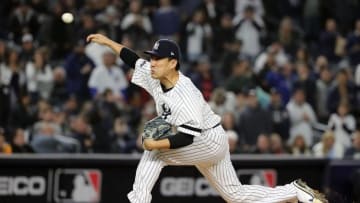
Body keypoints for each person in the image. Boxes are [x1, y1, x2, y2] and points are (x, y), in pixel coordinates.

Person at [86, 33, 327, 203]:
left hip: (205, 140)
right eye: (152, 57)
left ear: (173, 63)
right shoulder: (154, 75)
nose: (152, 62)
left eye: (158, 58)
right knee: (235, 195)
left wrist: (154, 144)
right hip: (210, 138)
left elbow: (187, 138)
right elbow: (132, 59)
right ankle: (294, 191)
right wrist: (107, 42)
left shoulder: (185, 93)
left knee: (154, 153)